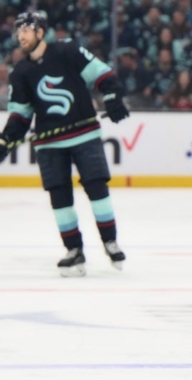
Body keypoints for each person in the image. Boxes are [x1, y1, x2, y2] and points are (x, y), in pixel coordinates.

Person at [0, 11, 130, 277]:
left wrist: (113, 95)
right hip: (48, 143)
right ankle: (73, 250)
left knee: (96, 186)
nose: (20, 36)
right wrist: (5, 140)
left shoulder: (68, 51)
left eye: (26, 29)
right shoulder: (21, 72)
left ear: (40, 31)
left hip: (84, 132)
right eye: (18, 31)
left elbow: (102, 73)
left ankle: (110, 241)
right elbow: (20, 114)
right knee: (59, 196)